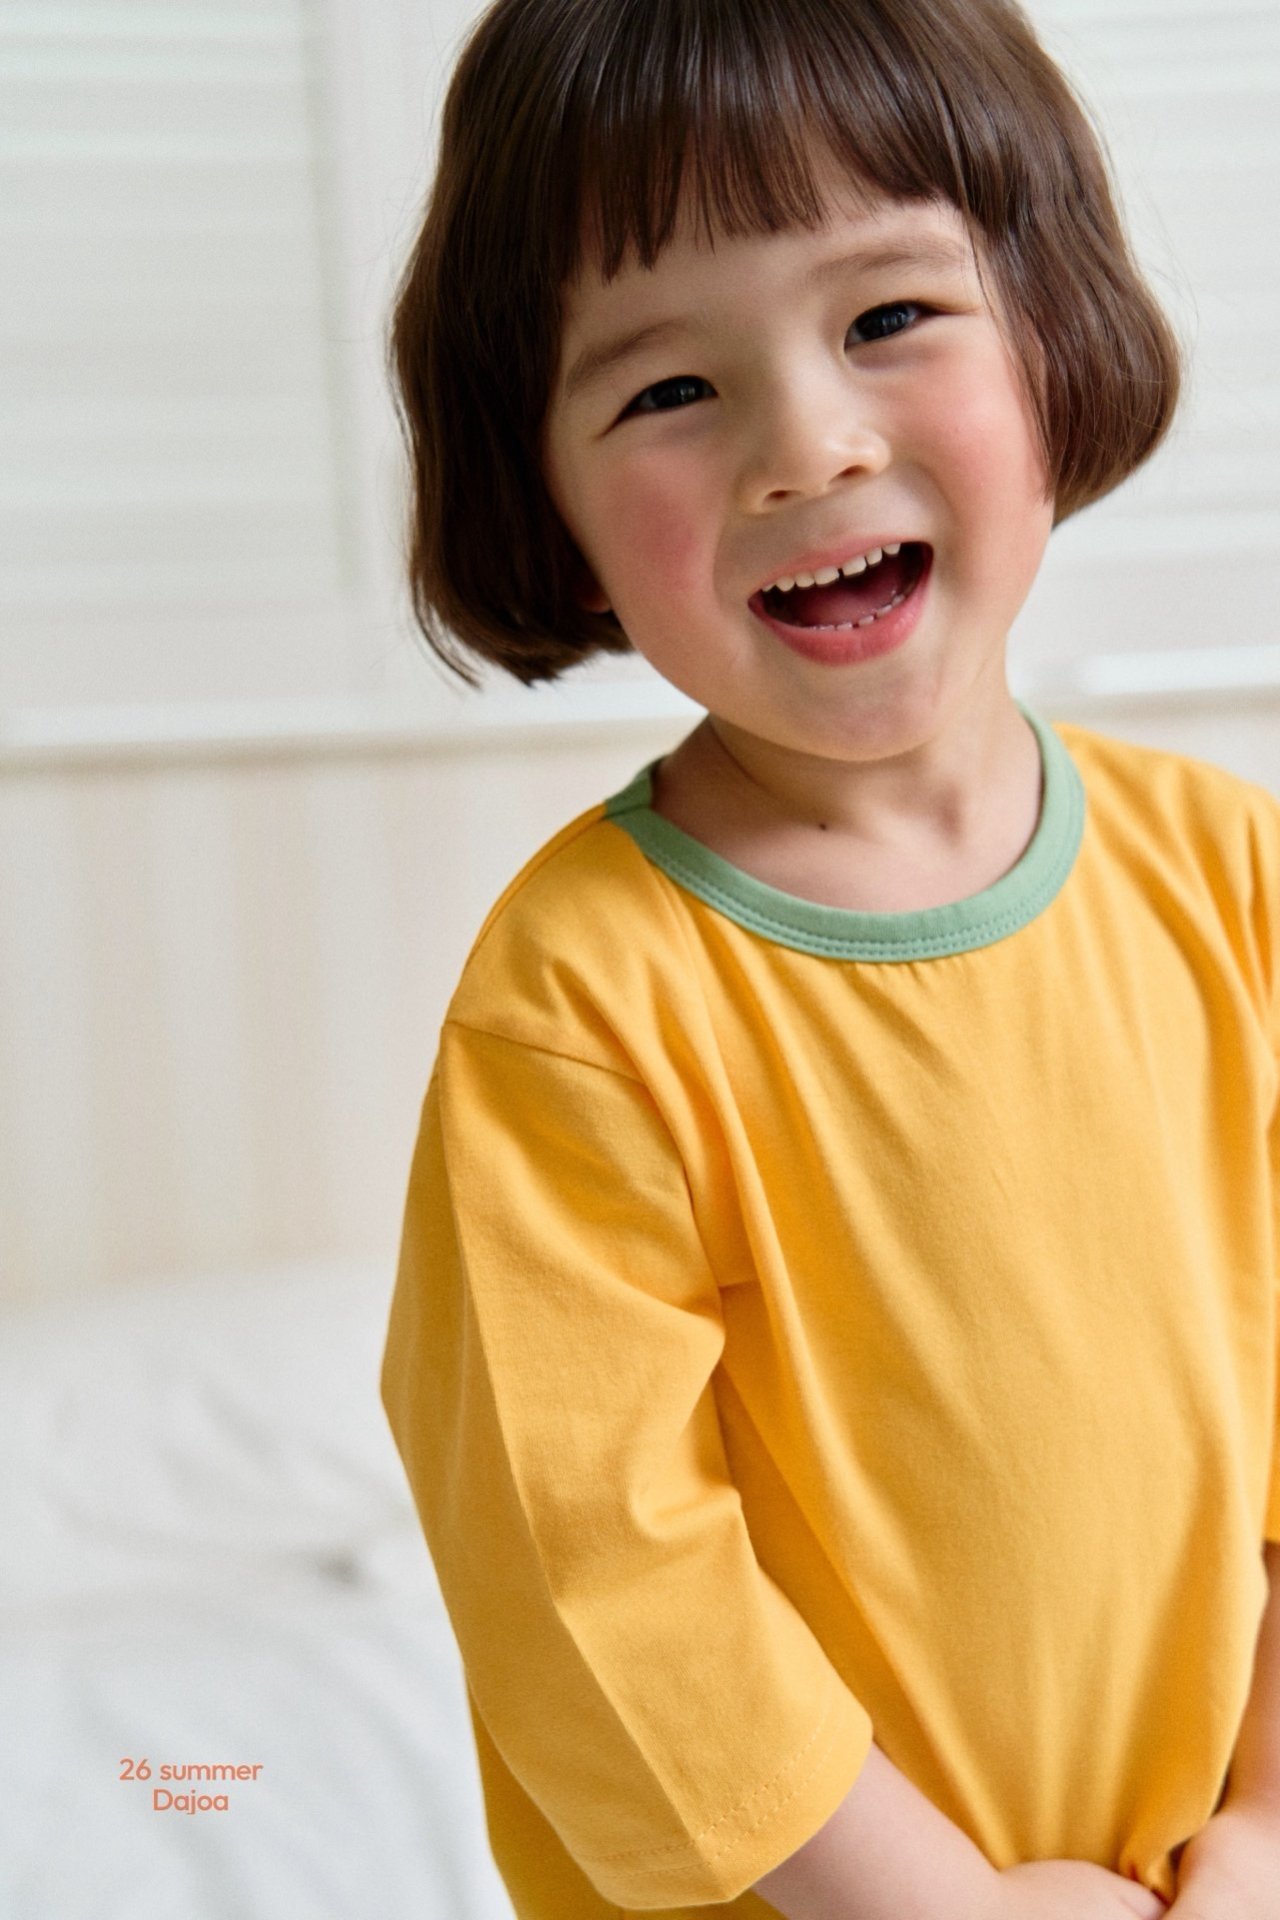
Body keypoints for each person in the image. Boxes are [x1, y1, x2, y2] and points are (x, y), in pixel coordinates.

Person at [379, 1, 1280, 1915]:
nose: (809, 446)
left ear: (1055, 339)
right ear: (548, 503)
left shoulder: (1237, 883)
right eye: (666, 389)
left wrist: (1266, 1828)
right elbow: (587, 1570)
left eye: (888, 317)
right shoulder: (580, 1006)